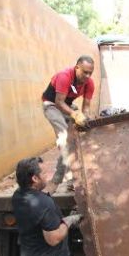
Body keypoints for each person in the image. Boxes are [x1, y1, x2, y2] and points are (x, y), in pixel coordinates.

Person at [41, 55, 96, 193]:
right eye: (85, 72)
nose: (88, 76)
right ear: (77, 67)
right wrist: (75, 115)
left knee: (83, 133)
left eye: (90, 73)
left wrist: (84, 118)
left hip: (67, 106)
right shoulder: (64, 76)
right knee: (66, 140)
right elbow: (59, 102)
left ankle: (76, 176)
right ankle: (56, 181)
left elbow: (87, 106)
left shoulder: (89, 83)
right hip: (52, 105)